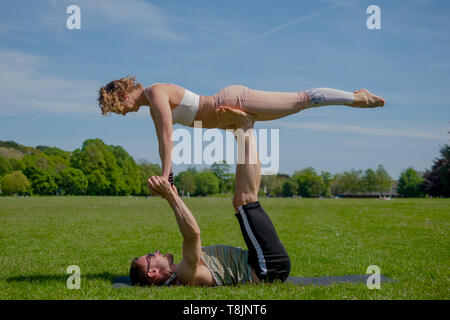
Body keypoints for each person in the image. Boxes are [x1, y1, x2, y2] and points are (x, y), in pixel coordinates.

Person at [98, 77, 385, 182]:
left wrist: (166, 174)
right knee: (296, 107)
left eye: (116, 108)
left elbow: (167, 137)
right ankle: (354, 96)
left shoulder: (156, 93)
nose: (120, 114)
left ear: (121, 96)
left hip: (232, 101)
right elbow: (164, 138)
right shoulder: (151, 103)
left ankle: (357, 97)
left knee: (300, 101)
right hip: (229, 116)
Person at [129, 113, 290, 286]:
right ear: (153, 272)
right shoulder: (185, 275)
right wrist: (170, 196)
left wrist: (173, 194)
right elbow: (193, 234)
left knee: (239, 201)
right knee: (245, 200)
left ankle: (242, 132)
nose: (156, 251)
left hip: (259, 262)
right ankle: (246, 127)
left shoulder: (186, 267)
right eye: (151, 256)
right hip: (269, 269)